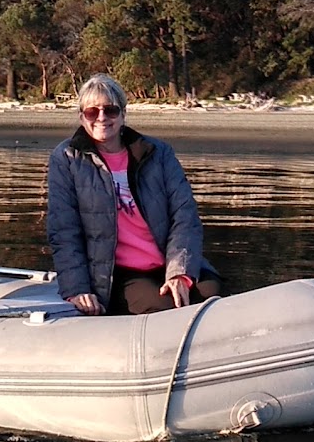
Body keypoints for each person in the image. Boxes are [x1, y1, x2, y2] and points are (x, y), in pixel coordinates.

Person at [45, 74, 220, 316]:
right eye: (92, 112)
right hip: (116, 274)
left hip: (167, 262)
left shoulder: (158, 153)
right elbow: (64, 231)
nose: (102, 118)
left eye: (110, 110)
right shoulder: (66, 158)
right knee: (168, 309)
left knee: (214, 295)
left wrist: (180, 272)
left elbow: (185, 216)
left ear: (123, 114)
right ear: (81, 117)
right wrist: (77, 289)